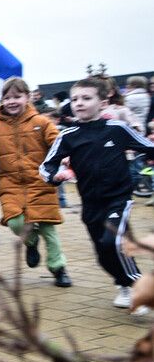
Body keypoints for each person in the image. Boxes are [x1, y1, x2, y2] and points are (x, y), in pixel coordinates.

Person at [40, 77, 154, 315]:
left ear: (103, 103)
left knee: (111, 241)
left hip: (119, 198)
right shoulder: (68, 135)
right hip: (90, 202)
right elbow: (46, 166)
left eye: (86, 98)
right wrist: (55, 177)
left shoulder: (117, 129)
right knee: (103, 255)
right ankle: (124, 285)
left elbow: (147, 147)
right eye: (75, 99)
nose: (79, 103)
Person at [0, 78, 72, 287]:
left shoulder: (41, 122)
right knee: (15, 222)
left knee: (48, 228)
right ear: (1, 100)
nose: (12, 101)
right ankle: (31, 241)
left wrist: (64, 157)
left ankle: (58, 268)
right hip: (10, 184)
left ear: (27, 97)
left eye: (17, 96)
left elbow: (58, 142)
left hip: (41, 181)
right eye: (7, 97)